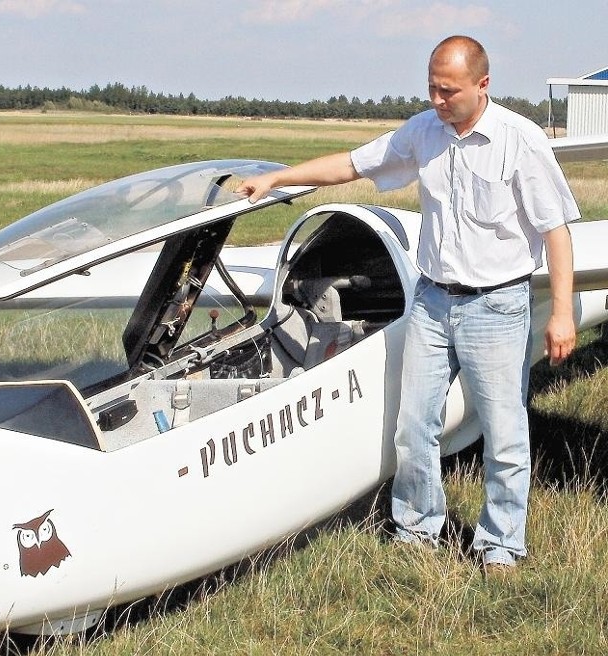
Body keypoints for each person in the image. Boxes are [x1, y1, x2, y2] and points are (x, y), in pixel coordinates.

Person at [236, 35, 580, 573]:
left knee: (504, 432)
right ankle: (418, 528)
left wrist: (560, 312)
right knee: (414, 423)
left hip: (499, 307)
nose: (438, 100)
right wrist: (279, 177)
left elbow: (555, 231)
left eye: (449, 91)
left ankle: (501, 544)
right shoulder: (423, 132)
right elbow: (352, 166)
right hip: (432, 303)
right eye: (431, 88)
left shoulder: (521, 140)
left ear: (483, 85)